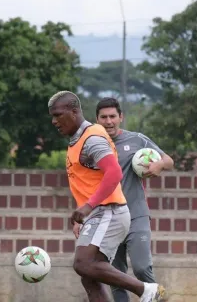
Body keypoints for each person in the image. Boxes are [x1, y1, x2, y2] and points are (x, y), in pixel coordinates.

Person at [48, 90, 166, 302]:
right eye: (52, 116)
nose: (54, 121)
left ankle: (145, 289)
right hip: (99, 213)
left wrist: (87, 207)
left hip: (110, 211)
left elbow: (114, 173)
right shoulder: (78, 139)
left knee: (86, 264)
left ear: (74, 112)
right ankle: (146, 290)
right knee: (89, 273)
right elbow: (87, 182)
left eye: (57, 115)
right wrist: (83, 212)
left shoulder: (93, 138)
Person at [95, 97, 174, 302]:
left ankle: (155, 297)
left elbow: (169, 160)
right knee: (115, 276)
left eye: (113, 116)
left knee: (141, 267)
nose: (109, 121)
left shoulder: (137, 139)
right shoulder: (92, 147)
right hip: (108, 219)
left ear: (121, 117)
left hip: (136, 215)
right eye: (104, 117)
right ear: (97, 120)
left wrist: (158, 165)